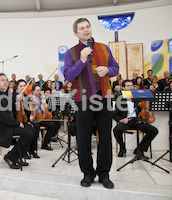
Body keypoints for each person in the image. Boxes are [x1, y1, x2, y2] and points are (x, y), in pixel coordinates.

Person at [64, 18, 119, 189]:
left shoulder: (103, 47)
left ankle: (104, 174)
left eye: (87, 27)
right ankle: (88, 173)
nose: (86, 30)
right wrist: (81, 60)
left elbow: (115, 68)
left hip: (105, 97)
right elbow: (68, 76)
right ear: (76, 33)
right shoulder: (71, 53)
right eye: (82, 28)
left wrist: (108, 70)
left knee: (105, 138)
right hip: (83, 99)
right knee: (83, 138)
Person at [0, 73, 34, 169]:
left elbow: (12, 112)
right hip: (2, 128)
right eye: (2, 80)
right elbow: (1, 116)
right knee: (28, 134)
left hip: (8, 124)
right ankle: (10, 156)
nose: (5, 82)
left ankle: (17, 156)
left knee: (31, 129)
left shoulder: (3, 95)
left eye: (6, 80)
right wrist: (17, 123)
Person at [113, 80, 158, 158]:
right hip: (127, 121)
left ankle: (139, 149)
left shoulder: (137, 97)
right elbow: (115, 114)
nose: (130, 87)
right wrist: (122, 120)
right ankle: (122, 147)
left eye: (131, 85)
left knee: (154, 130)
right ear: (123, 88)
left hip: (138, 120)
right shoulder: (120, 99)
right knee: (116, 130)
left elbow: (143, 108)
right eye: (128, 85)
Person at [15, 79, 40, 158]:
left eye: (24, 86)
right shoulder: (14, 97)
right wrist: (17, 101)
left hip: (26, 119)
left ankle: (32, 150)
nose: (22, 88)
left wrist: (31, 102)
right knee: (30, 130)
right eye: (20, 86)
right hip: (17, 120)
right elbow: (15, 111)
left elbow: (29, 112)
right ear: (17, 87)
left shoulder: (26, 97)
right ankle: (25, 150)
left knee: (36, 126)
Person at [31, 84, 57, 150]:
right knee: (36, 127)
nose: (39, 91)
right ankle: (33, 146)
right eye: (37, 90)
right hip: (34, 118)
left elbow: (44, 109)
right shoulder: (30, 98)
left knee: (52, 125)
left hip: (41, 118)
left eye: (40, 90)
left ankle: (45, 144)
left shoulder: (41, 98)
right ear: (33, 91)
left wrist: (44, 103)